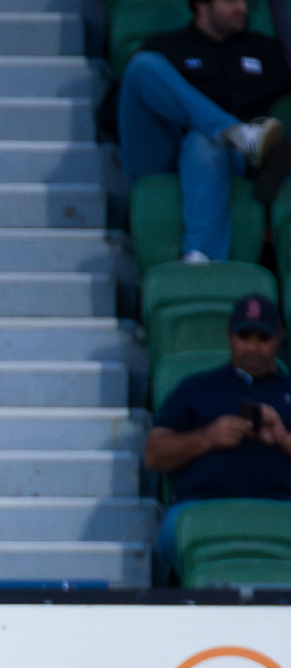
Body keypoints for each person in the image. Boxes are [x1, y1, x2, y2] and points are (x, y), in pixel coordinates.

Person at [120, 0, 289, 262]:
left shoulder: (264, 51)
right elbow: (110, 113)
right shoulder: (167, 47)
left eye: (244, 1)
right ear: (201, 4)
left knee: (204, 141)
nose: (242, 8)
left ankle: (202, 260)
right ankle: (235, 131)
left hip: (229, 157)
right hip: (162, 151)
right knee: (142, 65)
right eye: (230, 1)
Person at [146, 293, 291, 580]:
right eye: (244, 336)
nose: (253, 347)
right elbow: (153, 453)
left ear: (279, 336)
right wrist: (209, 437)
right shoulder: (197, 387)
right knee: (174, 530)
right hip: (202, 508)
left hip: (281, 508)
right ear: (229, 334)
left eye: (263, 337)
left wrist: (283, 437)